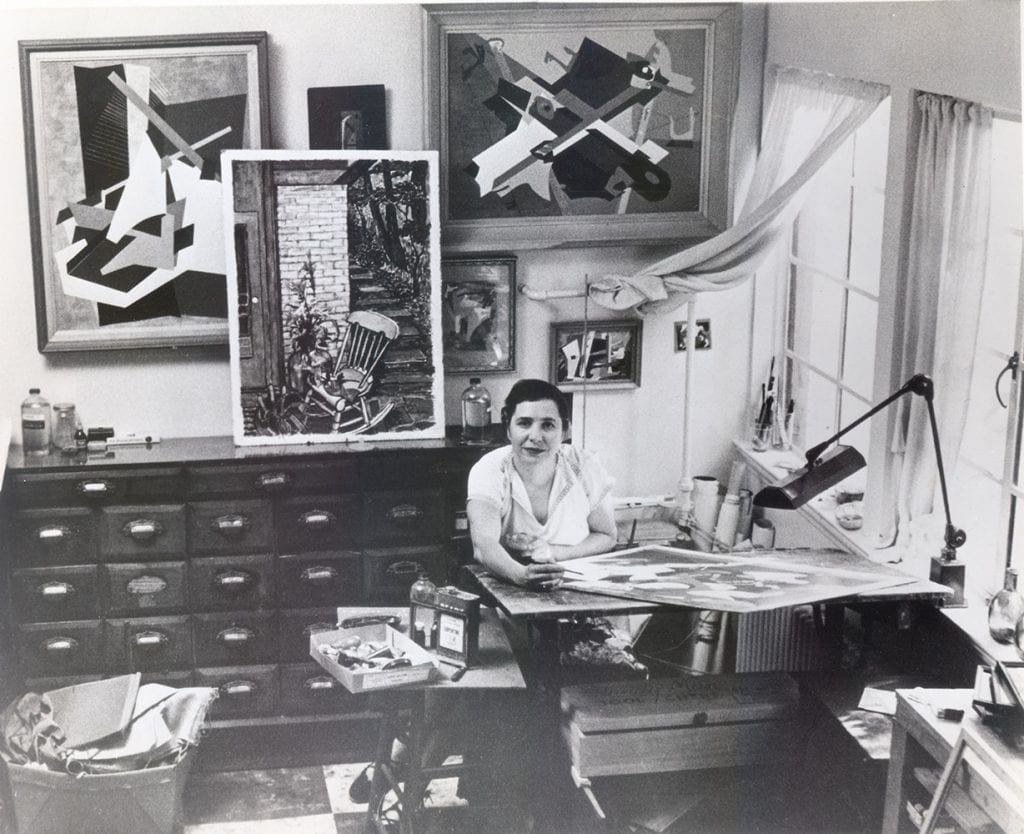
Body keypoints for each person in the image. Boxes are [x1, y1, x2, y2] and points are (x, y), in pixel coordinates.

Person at [466, 378, 618, 590]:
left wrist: (554, 553)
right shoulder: (490, 469)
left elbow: (607, 536)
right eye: (524, 423)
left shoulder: (585, 466)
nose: (535, 436)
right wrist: (522, 575)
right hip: (512, 586)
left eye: (547, 425)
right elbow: (483, 545)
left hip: (580, 586)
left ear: (565, 431)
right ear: (508, 429)